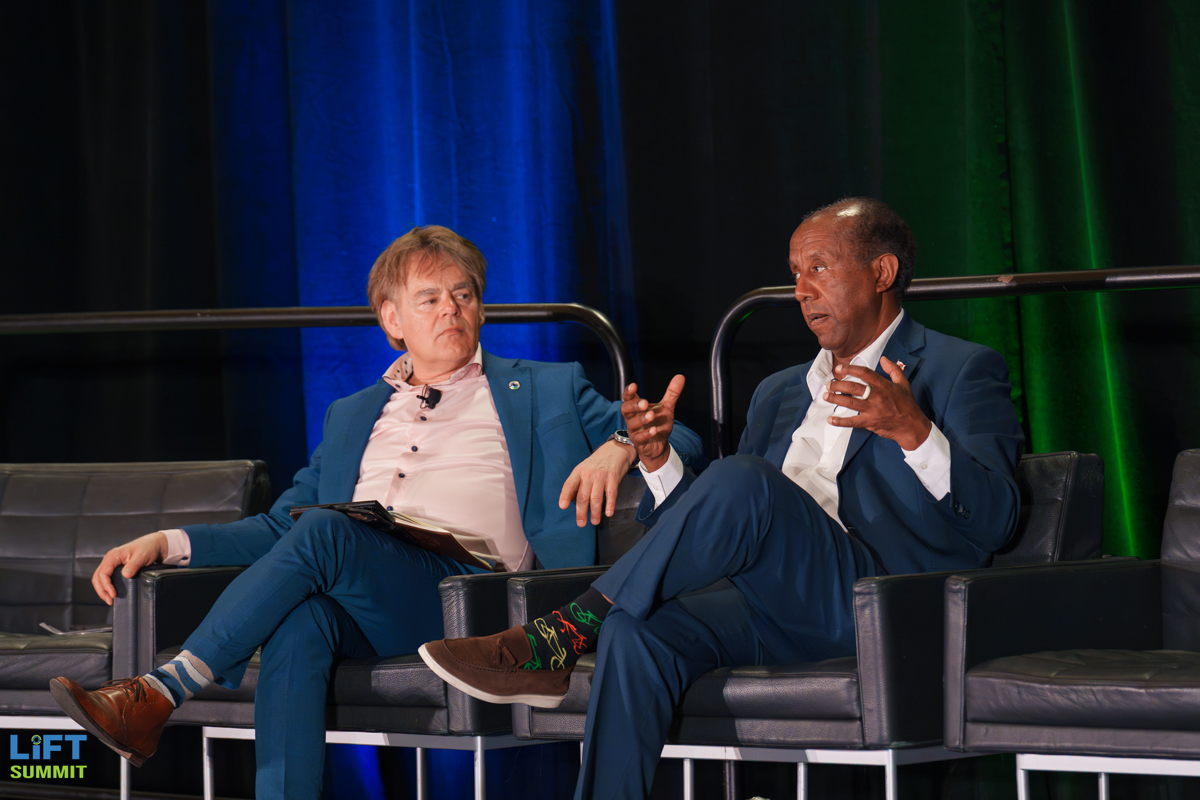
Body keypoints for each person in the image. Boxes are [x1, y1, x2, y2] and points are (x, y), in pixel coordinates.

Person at [47, 225, 705, 800]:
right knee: (301, 619)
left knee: (330, 530)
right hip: (374, 593)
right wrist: (169, 542)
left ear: (480, 307)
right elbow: (282, 527)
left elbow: (680, 439)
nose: (451, 310)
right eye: (430, 299)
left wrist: (621, 446)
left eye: (463, 295)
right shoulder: (352, 414)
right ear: (392, 319)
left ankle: (162, 691)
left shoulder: (545, 387)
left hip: (476, 598)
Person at [420, 198, 1025, 800]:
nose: (801, 290)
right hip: (768, 603)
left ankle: (565, 630)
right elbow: (725, 525)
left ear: (882, 272)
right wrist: (658, 462)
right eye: (795, 273)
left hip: (879, 602)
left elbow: (997, 520)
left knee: (746, 479)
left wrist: (913, 430)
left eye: (818, 267)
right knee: (635, 628)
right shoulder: (779, 391)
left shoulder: (959, 368)